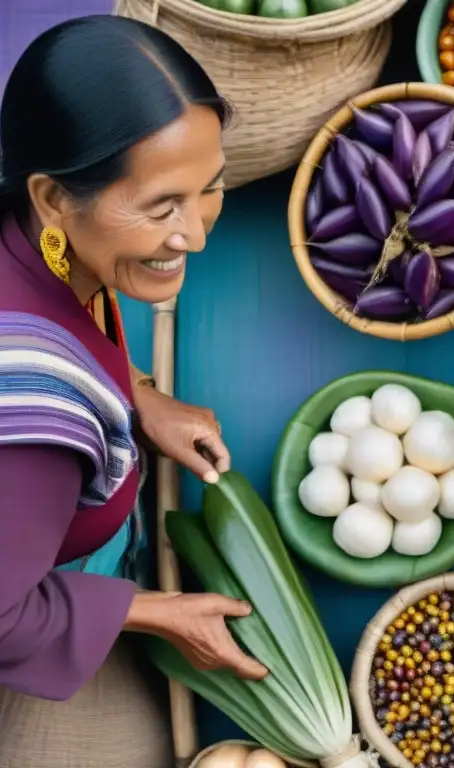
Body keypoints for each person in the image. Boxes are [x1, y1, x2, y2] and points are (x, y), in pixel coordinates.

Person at [0, 15, 269, 768]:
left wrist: (137, 392)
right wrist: (159, 612)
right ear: (53, 197)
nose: (197, 235)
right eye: (161, 207)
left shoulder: (36, 234)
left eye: (209, 189)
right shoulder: (32, 440)